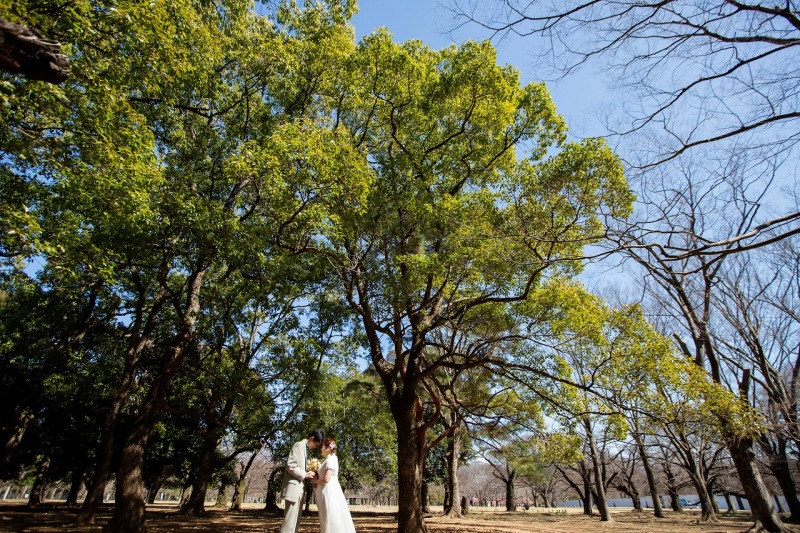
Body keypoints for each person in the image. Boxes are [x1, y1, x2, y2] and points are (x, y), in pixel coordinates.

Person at [280, 429, 324, 533]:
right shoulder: (298, 445)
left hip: (300, 490)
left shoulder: (305, 449)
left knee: (295, 522)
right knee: (289, 523)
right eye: (315, 444)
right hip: (293, 489)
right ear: (311, 438)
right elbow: (290, 465)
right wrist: (305, 474)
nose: (315, 447)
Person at [312, 438, 356, 533]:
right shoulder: (329, 459)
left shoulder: (331, 460)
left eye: (323, 447)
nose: (321, 449)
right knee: (327, 517)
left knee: (331, 517)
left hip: (329, 492)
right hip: (326, 490)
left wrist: (315, 481)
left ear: (328, 448)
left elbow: (326, 479)